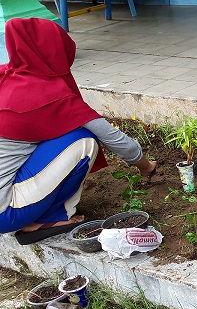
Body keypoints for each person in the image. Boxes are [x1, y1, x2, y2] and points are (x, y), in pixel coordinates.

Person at [0, 17, 157, 245]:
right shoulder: (45, 94)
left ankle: (31, 215)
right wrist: (146, 166)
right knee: (83, 140)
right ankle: (49, 218)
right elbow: (112, 137)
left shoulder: (7, 80)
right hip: (5, 212)